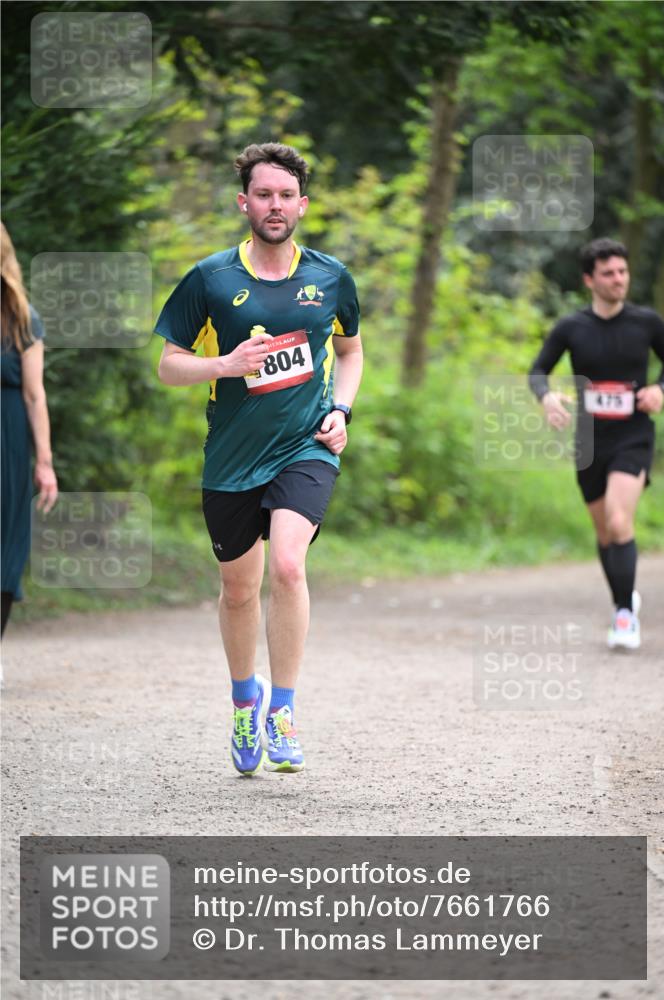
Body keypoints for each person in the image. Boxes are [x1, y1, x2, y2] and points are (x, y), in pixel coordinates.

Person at [155, 143, 363, 775]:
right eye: (264, 195)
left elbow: (350, 353)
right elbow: (168, 365)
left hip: (305, 447)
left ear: (304, 203)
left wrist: (341, 412)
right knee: (239, 591)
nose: (276, 206)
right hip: (231, 457)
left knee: (289, 568)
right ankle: (244, 697)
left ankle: (283, 708)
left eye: (286, 195)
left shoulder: (329, 278)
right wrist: (225, 365)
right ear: (243, 202)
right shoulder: (212, 278)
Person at [529, 237, 664, 650]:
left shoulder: (647, 323)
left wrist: (661, 388)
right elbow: (538, 371)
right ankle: (624, 599)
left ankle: (624, 617)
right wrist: (547, 396)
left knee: (619, 519)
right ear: (590, 279)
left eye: (622, 272)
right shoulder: (572, 327)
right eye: (608, 273)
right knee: (606, 532)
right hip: (589, 439)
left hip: (634, 435)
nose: (618, 279)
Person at [1, 222, 59, 636]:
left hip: (9, 442)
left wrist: (44, 461)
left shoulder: (22, 318)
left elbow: (34, 394)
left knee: (7, 544)